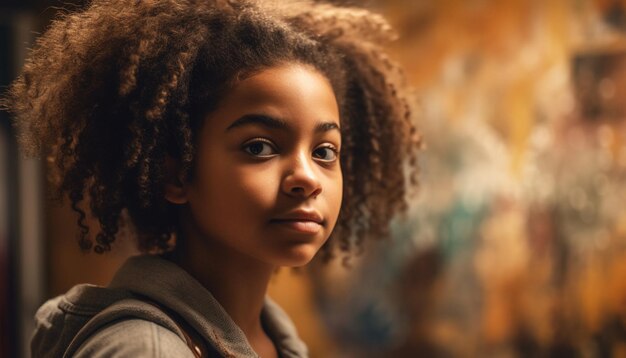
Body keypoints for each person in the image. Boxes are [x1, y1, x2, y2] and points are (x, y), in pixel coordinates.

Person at [4, 0, 419, 356]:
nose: (307, 177)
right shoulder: (144, 348)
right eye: (259, 146)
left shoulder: (276, 341)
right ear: (177, 174)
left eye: (324, 152)